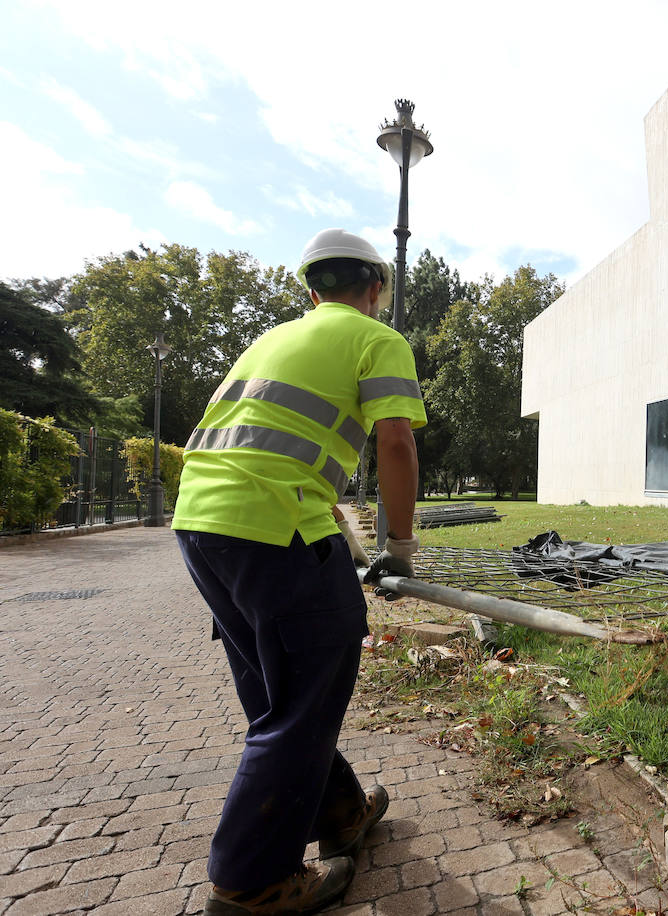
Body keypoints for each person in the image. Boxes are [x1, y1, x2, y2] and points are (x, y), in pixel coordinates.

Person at [172, 228, 427, 915]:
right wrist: (398, 547)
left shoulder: (270, 340)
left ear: (313, 292)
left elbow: (269, 447)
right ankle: (249, 884)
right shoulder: (377, 338)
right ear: (375, 289)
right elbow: (396, 443)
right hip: (275, 529)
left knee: (281, 699)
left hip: (200, 527)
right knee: (304, 704)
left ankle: (341, 813)